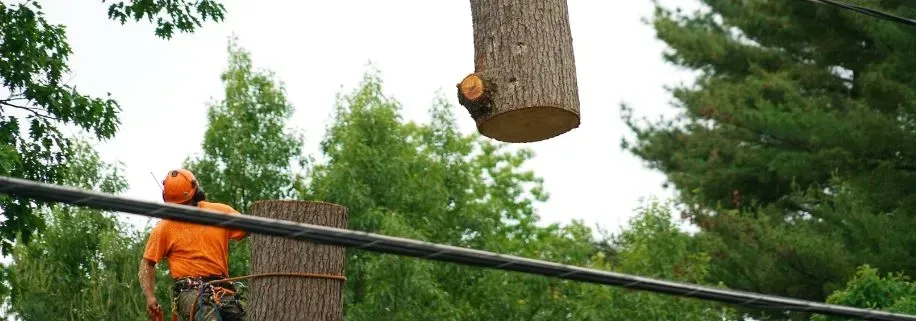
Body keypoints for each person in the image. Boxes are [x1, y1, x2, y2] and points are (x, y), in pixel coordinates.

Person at [139, 168, 248, 321]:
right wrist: (150, 297)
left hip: (221, 287)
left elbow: (249, 229)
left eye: (187, 205)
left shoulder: (219, 213)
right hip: (189, 291)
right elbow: (147, 263)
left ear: (197, 194)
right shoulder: (165, 227)